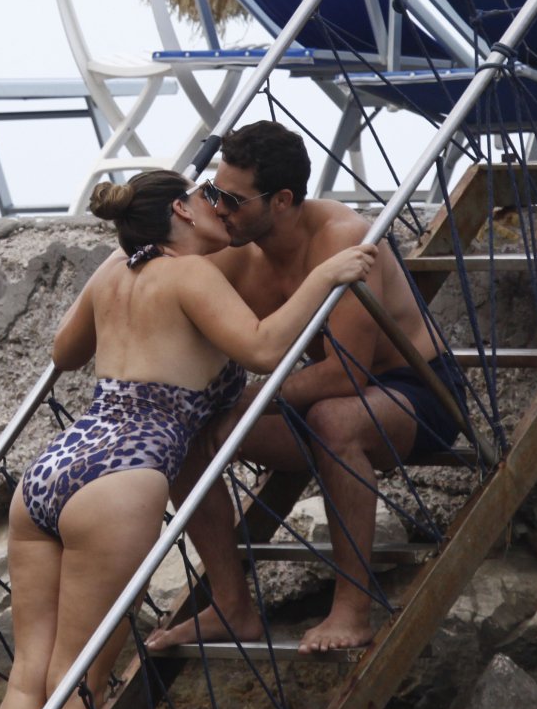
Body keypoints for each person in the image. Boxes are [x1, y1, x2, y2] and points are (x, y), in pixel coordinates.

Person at [0, 167, 376, 709]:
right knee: (79, 681)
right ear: (181, 210)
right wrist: (326, 275)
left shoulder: (114, 270)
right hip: (121, 476)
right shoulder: (190, 274)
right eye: (205, 196)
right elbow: (263, 348)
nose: (217, 206)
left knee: (31, 674)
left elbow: (65, 351)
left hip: (52, 470)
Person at [146, 121, 464, 657]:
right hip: (320, 399)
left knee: (333, 418)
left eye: (233, 200)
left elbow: (346, 376)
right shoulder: (238, 250)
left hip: (417, 389)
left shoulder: (342, 238)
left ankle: (352, 608)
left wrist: (245, 404)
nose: (219, 209)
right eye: (214, 193)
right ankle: (230, 607)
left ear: (283, 200)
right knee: (184, 429)